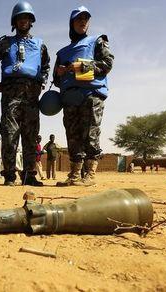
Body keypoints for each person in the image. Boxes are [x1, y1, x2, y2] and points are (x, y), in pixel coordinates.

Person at [0, 1, 50, 186]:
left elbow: (45, 65)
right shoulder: (6, 43)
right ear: (14, 22)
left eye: (27, 18)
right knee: (9, 133)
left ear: (31, 21)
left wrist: (43, 82)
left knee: (31, 134)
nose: (23, 21)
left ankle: (29, 175)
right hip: (10, 92)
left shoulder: (40, 45)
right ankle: (9, 176)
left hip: (32, 92)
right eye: (20, 18)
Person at [53, 6, 114, 187]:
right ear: (72, 23)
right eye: (79, 18)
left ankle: (90, 174)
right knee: (73, 136)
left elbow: (107, 64)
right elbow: (56, 80)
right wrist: (61, 72)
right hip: (70, 99)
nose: (82, 21)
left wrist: (78, 67)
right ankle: (74, 174)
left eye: (86, 18)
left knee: (90, 134)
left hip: (91, 95)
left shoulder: (97, 41)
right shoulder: (62, 52)